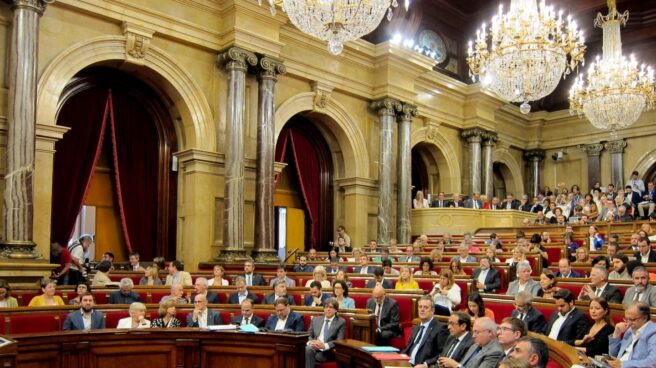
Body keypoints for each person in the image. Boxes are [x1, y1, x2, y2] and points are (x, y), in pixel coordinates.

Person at [437, 317, 504, 368]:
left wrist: (456, 365)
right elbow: (464, 365)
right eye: (473, 332)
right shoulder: (474, 345)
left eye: (477, 332)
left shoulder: (495, 352)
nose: (473, 336)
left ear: (489, 332)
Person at [402, 296, 448, 367]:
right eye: (420, 307)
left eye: (425, 307)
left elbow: (442, 354)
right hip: (407, 364)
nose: (422, 310)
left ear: (432, 310)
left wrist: (425, 364)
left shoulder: (440, 328)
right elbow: (407, 348)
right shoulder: (416, 328)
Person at [607, 302, 656, 368]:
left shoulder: (653, 333)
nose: (629, 323)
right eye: (626, 319)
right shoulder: (629, 330)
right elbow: (614, 355)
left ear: (644, 318)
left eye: (632, 320)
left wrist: (623, 365)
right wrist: (616, 334)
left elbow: (653, 362)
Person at [305, 298, 346, 368]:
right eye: (326, 307)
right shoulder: (315, 319)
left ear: (336, 310)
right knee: (308, 349)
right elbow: (309, 335)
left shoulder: (341, 322)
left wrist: (324, 345)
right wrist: (311, 342)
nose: (328, 309)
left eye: (331, 307)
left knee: (309, 353)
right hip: (313, 347)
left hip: (328, 351)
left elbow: (339, 340)